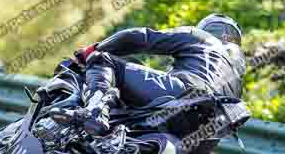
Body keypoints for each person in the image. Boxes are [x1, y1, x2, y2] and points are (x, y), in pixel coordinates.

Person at [64, 13, 246, 139]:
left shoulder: (201, 37)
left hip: (184, 92)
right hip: (206, 127)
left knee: (102, 59)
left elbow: (139, 37)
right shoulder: (239, 74)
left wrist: (93, 49)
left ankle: (96, 110)